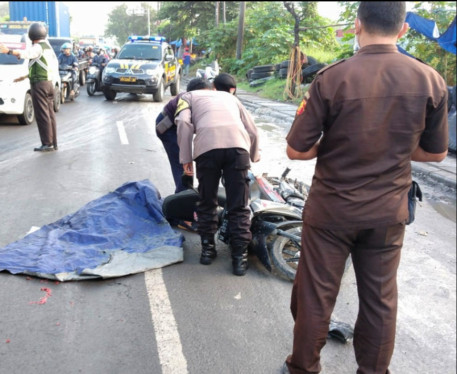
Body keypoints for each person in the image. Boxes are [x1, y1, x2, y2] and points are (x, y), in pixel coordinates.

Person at [282, 2, 449, 374]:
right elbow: (437, 154)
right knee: (380, 300)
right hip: (387, 214)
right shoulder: (430, 79)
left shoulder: (331, 78)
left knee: (315, 297)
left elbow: (296, 149)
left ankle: (303, 368)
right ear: (403, 29)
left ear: (357, 25)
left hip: (330, 213)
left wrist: (336, 144)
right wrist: (399, 147)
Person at [175, 75, 260, 274]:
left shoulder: (186, 97)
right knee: (239, 205)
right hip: (238, 149)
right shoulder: (229, 97)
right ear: (211, 89)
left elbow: (184, 124)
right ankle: (240, 259)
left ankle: (207, 251)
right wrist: (254, 156)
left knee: (207, 201)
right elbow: (253, 131)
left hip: (207, 150)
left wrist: (186, 159)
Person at [156, 77, 212, 232]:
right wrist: (186, 157)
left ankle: (182, 205)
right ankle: (181, 217)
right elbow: (184, 125)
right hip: (168, 129)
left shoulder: (208, 98)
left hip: (177, 127)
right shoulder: (186, 100)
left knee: (187, 170)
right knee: (184, 170)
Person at [0, 23, 59, 152]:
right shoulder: (48, 47)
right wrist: (26, 76)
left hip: (40, 84)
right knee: (49, 114)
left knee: (42, 115)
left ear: (31, 35)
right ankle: (53, 143)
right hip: (49, 84)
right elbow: (47, 66)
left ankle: (47, 143)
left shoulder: (38, 47)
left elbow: (27, 53)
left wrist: (8, 51)